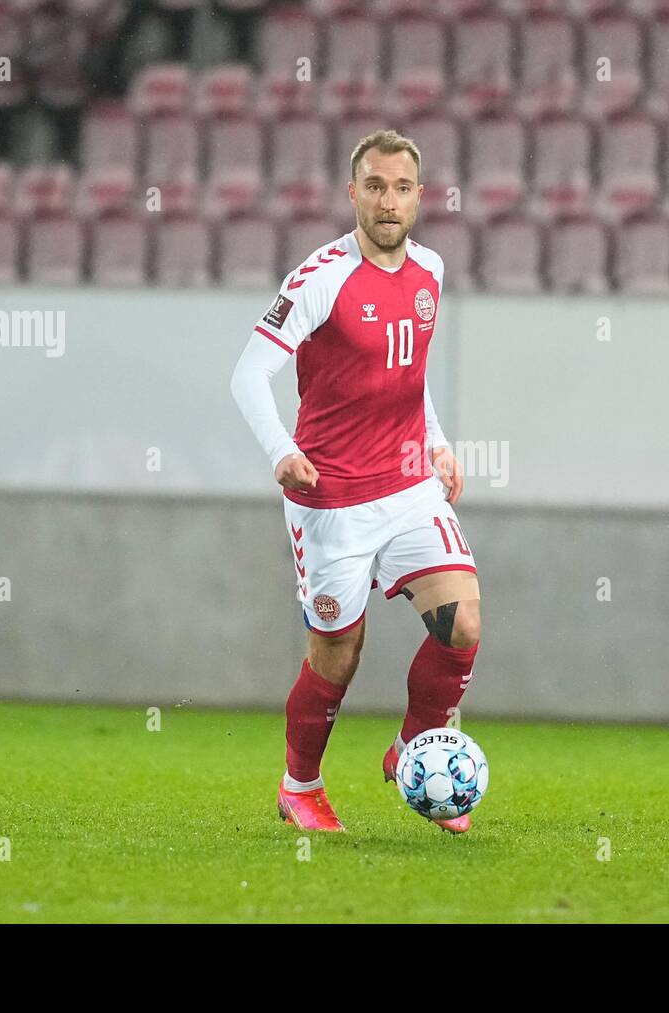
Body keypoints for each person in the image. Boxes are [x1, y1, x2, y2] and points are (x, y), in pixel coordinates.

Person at [230, 129, 482, 834]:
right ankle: (300, 785)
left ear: (420, 197)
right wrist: (280, 450)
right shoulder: (321, 278)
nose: (389, 200)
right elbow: (249, 372)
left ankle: (412, 750)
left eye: (402, 188)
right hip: (331, 495)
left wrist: (435, 443)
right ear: (353, 193)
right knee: (339, 651)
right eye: (374, 186)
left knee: (461, 623)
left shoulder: (430, 270)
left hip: (407, 487)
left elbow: (408, 374)